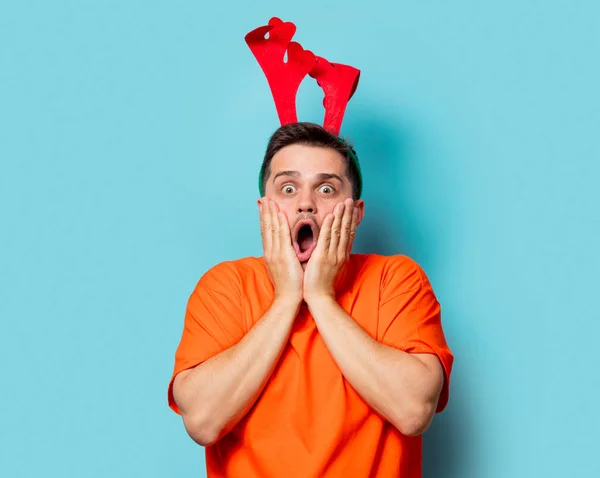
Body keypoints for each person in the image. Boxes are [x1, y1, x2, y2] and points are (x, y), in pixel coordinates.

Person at [167, 121, 454, 477]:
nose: (306, 204)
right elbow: (202, 421)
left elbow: (414, 411)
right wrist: (287, 298)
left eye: (326, 189)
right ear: (264, 210)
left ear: (356, 214)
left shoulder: (395, 280)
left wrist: (320, 296)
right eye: (288, 188)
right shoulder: (225, 286)